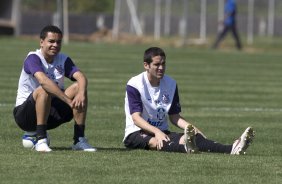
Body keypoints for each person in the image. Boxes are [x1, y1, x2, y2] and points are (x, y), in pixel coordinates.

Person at [123, 47, 254, 154]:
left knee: (193, 138)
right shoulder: (135, 84)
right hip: (136, 132)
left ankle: (232, 148)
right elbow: (136, 118)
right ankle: (186, 149)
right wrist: (156, 132)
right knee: (157, 141)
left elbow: (174, 117)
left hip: (162, 131)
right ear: (146, 65)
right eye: (157, 64)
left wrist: (192, 129)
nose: (161, 68)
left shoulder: (171, 84)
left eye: (163, 64)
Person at [13, 25, 96, 152]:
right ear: (41, 42)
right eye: (51, 41)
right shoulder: (33, 58)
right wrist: (69, 102)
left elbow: (81, 77)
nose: (55, 45)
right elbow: (43, 81)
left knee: (78, 87)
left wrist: (81, 93)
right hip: (25, 116)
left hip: (49, 112)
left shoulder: (63, 59)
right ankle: (41, 140)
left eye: (58, 42)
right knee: (43, 89)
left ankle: (79, 140)